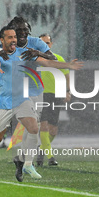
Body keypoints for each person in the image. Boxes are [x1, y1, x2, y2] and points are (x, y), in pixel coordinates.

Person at [0, 26, 83, 182]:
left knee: (34, 127)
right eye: (9, 37)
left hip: (21, 98)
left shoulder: (24, 53)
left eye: (14, 37)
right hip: (4, 100)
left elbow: (47, 63)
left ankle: (28, 164)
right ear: (2, 40)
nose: (14, 39)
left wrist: (68, 65)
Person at [36, 33, 70, 167]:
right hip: (41, 95)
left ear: (51, 44)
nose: (46, 46)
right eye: (42, 43)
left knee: (53, 130)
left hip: (56, 96)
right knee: (43, 126)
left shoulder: (59, 59)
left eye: (48, 43)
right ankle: (50, 157)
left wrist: (67, 91)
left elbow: (66, 76)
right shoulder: (35, 60)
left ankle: (42, 149)